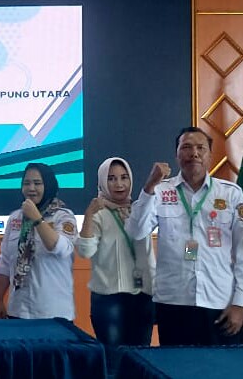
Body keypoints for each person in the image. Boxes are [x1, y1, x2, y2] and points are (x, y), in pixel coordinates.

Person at [126, 127, 243, 346]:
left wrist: (240, 304)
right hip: (173, 302)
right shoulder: (160, 191)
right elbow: (135, 231)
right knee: (177, 364)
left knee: (221, 365)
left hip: (219, 301)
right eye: (186, 147)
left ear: (210, 155)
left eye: (200, 148)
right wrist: (149, 186)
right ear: (176, 155)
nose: (193, 153)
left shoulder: (230, 193)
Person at [76, 157, 155, 373]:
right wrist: (89, 214)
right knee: (113, 363)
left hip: (143, 296)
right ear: (102, 182)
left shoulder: (141, 210)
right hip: (109, 299)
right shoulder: (99, 214)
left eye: (124, 177)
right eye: (111, 179)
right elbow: (85, 251)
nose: (119, 184)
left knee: (141, 361)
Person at [0, 163, 77, 320]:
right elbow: (5, 262)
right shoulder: (15, 218)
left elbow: (60, 248)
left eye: (37, 183)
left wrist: (37, 219)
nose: (31, 188)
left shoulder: (63, 216)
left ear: (48, 185)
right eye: (27, 183)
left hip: (53, 312)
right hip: (18, 310)